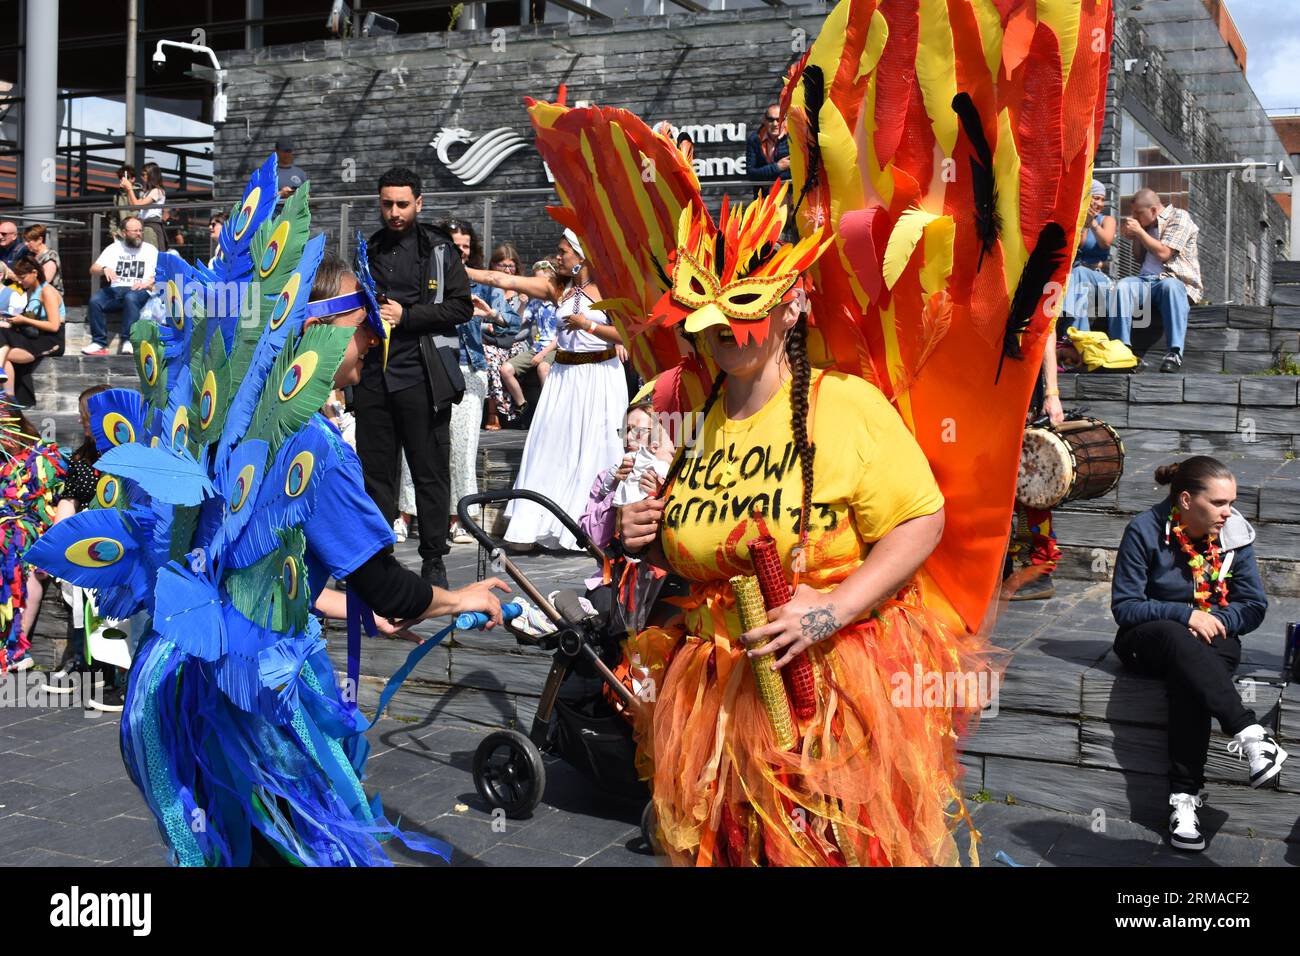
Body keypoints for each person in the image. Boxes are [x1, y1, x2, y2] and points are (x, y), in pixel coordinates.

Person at [1111, 456, 1285, 851]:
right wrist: (1186, 615)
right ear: (1186, 500)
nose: (1229, 512)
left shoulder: (1234, 533)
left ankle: (1184, 800)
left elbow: (1253, 605)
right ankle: (1248, 732)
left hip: (1213, 636)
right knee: (1177, 638)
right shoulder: (1145, 529)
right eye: (1219, 503)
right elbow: (1125, 606)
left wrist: (1217, 619)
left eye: (1231, 502)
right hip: (1148, 637)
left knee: (1190, 680)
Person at [468, 228, 628, 552]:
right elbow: (506, 281)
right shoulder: (558, 287)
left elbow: (626, 333)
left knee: (597, 449)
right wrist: (465, 271)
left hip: (600, 377)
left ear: (581, 255)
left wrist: (588, 325)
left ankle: (590, 527)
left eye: (563, 251)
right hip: (563, 378)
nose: (558, 256)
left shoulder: (609, 287)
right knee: (552, 447)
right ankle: (539, 524)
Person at [355, 167, 473, 588]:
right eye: (387, 203)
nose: (394, 212)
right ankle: (378, 558)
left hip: (423, 377)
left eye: (402, 204)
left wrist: (409, 316)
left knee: (430, 471)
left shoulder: (439, 249)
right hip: (374, 377)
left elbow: (462, 308)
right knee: (375, 476)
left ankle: (434, 560)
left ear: (418, 203)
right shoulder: (366, 248)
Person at [1111, 187, 1202, 373]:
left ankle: (1174, 353)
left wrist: (1139, 232)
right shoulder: (1145, 225)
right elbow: (1138, 257)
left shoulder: (1179, 217)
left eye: (1138, 213)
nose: (1134, 217)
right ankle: (1122, 350)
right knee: (1121, 287)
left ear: (1153, 210)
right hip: (1145, 280)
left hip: (1174, 280)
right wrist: (1137, 235)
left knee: (1171, 286)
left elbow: (1164, 253)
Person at [1007, 333, 1066, 600]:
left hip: (1024, 389)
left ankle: (1038, 572)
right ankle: (1001, 569)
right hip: (986, 387)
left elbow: (1047, 331)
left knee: (1033, 483)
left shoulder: (1037, 291)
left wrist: (1052, 393)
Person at [444, 220, 492, 544]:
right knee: (424, 447)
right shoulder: (431, 281)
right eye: (454, 245)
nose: (461, 251)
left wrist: (492, 317)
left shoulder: (482, 283)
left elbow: (510, 320)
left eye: (465, 246)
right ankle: (407, 515)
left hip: (469, 367)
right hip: (434, 364)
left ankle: (461, 517)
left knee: (463, 447)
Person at [83, 216, 157, 356]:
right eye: (134, 231)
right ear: (124, 233)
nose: (139, 234)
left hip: (140, 289)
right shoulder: (114, 248)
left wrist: (147, 283)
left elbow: (162, 273)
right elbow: (93, 269)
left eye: (140, 230)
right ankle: (99, 343)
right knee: (95, 300)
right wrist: (104, 269)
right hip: (116, 290)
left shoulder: (150, 250)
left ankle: (128, 340)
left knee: (131, 297)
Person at [499, 259, 560, 420]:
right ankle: (522, 403)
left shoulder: (559, 302)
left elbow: (561, 337)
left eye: (541, 280)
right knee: (506, 369)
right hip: (537, 347)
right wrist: (522, 305)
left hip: (555, 348)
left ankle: (550, 411)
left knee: (542, 368)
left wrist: (543, 354)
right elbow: (518, 322)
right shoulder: (536, 303)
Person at [0, 256, 65, 397]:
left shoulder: (47, 291)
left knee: (3, 354)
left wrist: (24, 320)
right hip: (35, 335)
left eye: (22, 277)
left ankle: (8, 399)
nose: (19, 281)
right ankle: (8, 400)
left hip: (52, 340)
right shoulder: (30, 291)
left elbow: (54, 326)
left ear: (34, 273)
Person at [479, 242, 527, 429]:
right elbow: (480, 317)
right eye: (502, 265)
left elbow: (521, 326)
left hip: (517, 342)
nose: (507, 269)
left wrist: (522, 305)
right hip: (493, 341)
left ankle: (499, 412)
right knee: (490, 356)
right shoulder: (487, 289)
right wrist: (489, 328)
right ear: (493, 266)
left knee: (495, 357)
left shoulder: (524, 289)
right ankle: (495, 414)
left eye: (511, 265)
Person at [1061, 180, 1116, 333]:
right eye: (1095, 198)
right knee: (1079, 291)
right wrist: (1084, 223)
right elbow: (1077, 244)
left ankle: (1069, 322)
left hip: (1099, 278)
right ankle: (1079, 338)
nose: (1099, 203)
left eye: (1102, 199)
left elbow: (1106, 242)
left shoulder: (1107, 220)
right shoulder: (1076, 221)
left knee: (1078, 274)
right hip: (1076, 279)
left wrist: (1092, 224)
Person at [119, 161, 168, 251]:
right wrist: (127, 190)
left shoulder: (157, 191)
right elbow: (133, 205)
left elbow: (137, 205)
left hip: (151, 226)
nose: (142, 177)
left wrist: (130, 188)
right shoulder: (148, 192)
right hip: (144, 225)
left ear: (151, 175)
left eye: (144, 174)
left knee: (150, 254)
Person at [745, 104, 791, 185]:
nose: (775, 124)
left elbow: (797, 172)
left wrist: (765, 174)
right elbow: (751, 174)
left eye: (779, 119)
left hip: (790, 193)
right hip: (764, 195)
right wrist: (778, 167)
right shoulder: (754, 140)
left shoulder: (793, 138)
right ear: (764, 120)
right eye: (771, 119)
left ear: (785, 120)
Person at [22, 224, 62, 295]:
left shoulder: (51, 255)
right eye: (25, 241)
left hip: (49, 299)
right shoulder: (30, 255)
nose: (25, 244)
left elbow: (46, 280)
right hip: (33, 297)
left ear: (40, 240)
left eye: (29, 241)